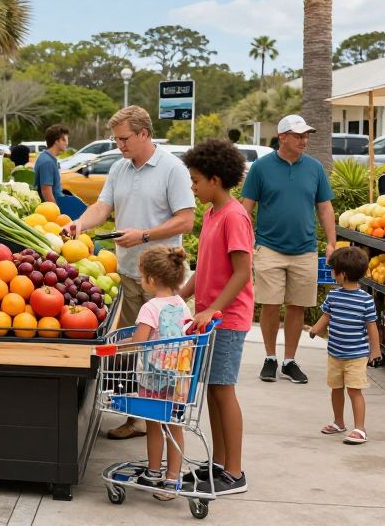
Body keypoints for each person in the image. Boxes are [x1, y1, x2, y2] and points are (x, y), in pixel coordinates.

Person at [66, 106, 195, 439]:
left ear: (144, 134)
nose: (120, 145)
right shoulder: (120, 169)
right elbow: (102, 207)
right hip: (126, 273)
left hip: (161, 279)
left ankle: (162, 416)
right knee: (127, 348)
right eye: (116, 139)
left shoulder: (172, 169)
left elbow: (186, 220)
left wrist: (145, 235)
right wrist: (80, 223)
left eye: (124, 139)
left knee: (160, 352)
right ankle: (133, 416)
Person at [180, 140, 254, 495]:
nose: (192, 187)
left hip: (228, 319)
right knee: (213, 390)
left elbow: (242, 271)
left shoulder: (235, 216)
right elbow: (205, 267)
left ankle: (235, 473)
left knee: (224, 390)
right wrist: (180, 297)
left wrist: (214, 309)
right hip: (208, 319)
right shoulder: (211, 214)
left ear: (214, 179)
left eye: (195, 180)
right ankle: (221, 464)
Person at [241, 115, 336, 385]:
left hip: (305, 249)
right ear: (282, 137)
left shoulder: (315, 168)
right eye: (298, 136)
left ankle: (289, 361)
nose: (304, 140)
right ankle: (270, 357)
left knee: (298, 306)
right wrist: (244, 243)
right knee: (270, 304)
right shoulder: (261, 168)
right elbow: (246, 209)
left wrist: (331, 242)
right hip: (269, 247)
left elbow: (325, 207)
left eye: (306, 135)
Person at [128, 246, 191, 500]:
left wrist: (113, 347)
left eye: (142, 276)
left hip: (153, 379)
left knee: (154, 425)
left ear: (152, 280)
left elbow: (139, 342)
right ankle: (172, 479)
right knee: (174, 427)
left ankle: (154, 472)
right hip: (177, 379)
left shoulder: (150, 308)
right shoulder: (181, 306)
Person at [309, 247, 381, 445]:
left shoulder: (365, 300)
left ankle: (360, 428)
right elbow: (327, 316)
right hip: (335, 353)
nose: (332, 274)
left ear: (344, 274)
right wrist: (315, 329)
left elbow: (372, 326)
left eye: (334, 271)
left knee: (354, 390)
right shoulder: (334, 296)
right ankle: (339, 422)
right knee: (336, 388)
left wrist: (375, 350)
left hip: (356, 355)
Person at [34, 124, 69, 204]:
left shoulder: (49, 158)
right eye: (64, 140)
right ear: (57, 141)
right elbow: (46, 191)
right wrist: (56, 211)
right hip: (51, 210)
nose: (67, 143)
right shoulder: (47, 162)